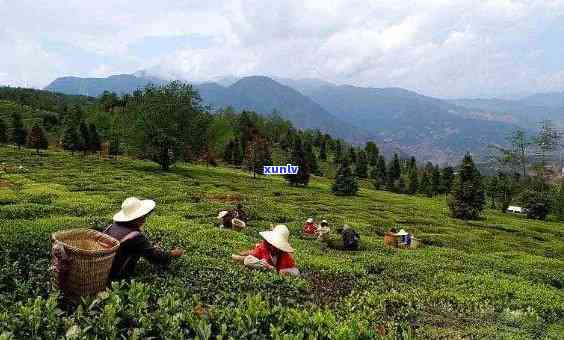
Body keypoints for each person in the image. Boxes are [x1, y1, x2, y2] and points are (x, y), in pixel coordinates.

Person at [104, 197, 184, 280]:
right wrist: (173, 254)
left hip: (105, 269)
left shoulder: (112, 226)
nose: (144, 218)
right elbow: (155, 257)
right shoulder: (135, 237)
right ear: (136, 218)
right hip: (117, 276)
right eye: (142, 216)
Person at [232, 224, 299, 276]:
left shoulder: (285, 255)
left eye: (277, 245)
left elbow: (295, 271)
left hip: (276, 270)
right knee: (248, 260)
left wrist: (281, 271)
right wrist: (266, 266)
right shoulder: (264, 247)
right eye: (273, 244)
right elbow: (250, 258)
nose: (273, 247)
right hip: (261, 264)